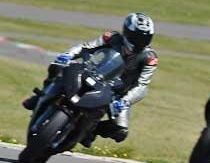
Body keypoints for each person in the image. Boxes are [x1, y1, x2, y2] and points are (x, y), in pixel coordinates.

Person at [22, 13, 158, 146]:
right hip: (94, 74)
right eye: (137, 37)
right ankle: (40, 96)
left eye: (145, 38)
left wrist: (125, 101)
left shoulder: (149, 58)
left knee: (120, 131)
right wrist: (68, 55)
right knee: (56, 67)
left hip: (117, 94)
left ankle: (91, 131)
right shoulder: (112, 37)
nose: (140, 42)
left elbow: (142, 85)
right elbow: (86, 46)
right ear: (127, 32)